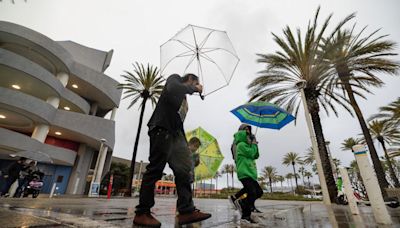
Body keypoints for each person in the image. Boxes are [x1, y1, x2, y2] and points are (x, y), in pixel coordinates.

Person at [133, 73, 211, 227]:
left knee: (184, 169)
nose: (196, 85)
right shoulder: (174, 79)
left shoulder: (183, 97)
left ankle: (186, 211)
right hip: (162, 130)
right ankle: (142, 212)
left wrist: (183, 141)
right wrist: (193, 88)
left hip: (175, 135)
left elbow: (178, 119)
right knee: (155, 170)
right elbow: (173, 87)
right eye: (195, 82)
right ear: (190, 80)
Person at [232, 126, 263, 223]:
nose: (248, 132)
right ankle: (245, 216)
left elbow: (256, 155)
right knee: (252, 192)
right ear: (241, 132)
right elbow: (251, 154)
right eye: (245, 130)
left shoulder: (248, 145)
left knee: (259, 192)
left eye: (249, 130)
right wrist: (253, 145)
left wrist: (254, 144)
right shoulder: (240, 145)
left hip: (251, 173)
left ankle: (242, 202)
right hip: (244, 172)